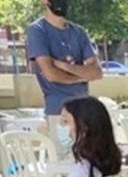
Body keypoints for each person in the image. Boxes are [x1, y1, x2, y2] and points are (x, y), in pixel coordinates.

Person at [25, 0, 101, 146]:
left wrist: (66, 67)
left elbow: (97, 73)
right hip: (59, 114)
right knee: (63, 162)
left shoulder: (79, 32)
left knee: (89, 161)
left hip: (85, 112)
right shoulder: (37, 30)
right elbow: (51, 74)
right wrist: (82, 76)